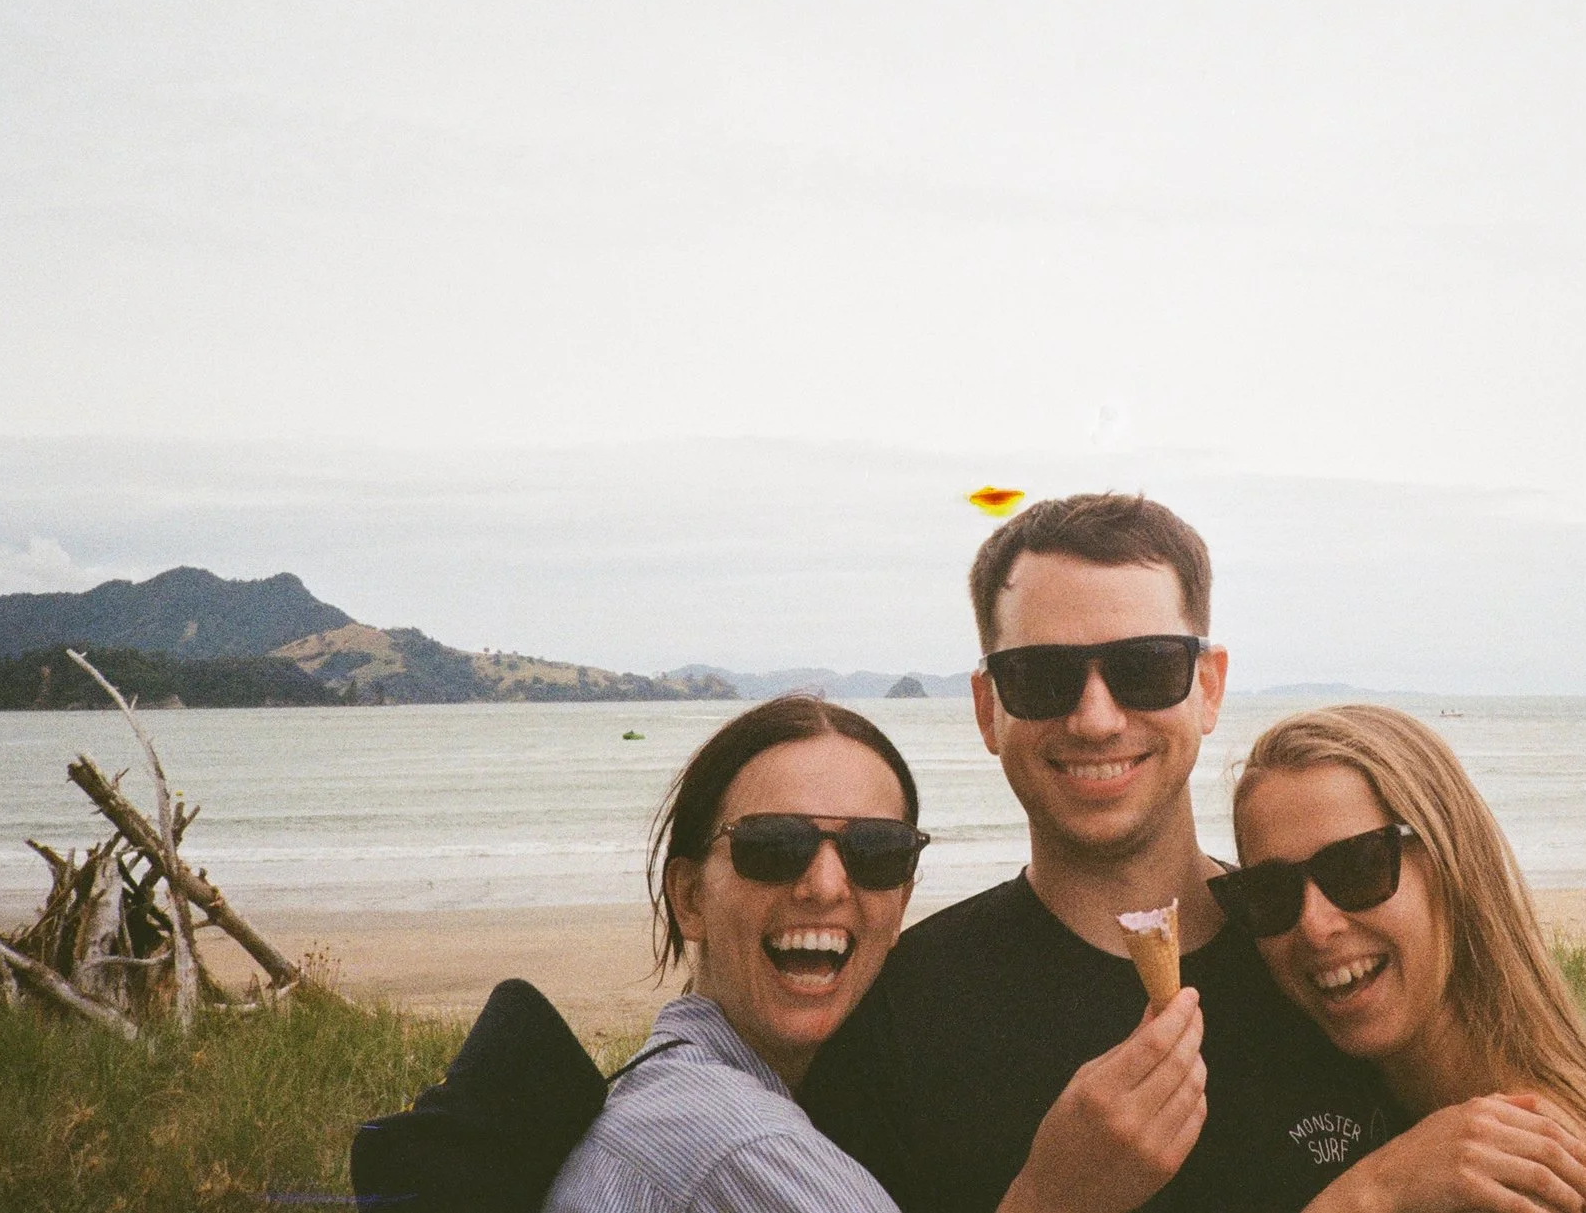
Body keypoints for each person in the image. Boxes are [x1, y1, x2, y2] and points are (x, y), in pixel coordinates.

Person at [799, 494, 1389, 1213]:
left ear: (1208, 686)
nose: (1096, 717)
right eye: (1042, 677)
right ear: (988, 708)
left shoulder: (1324, 960)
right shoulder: (894, 1023)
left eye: (1145, 666)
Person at [1222, 705, 1586, 1213]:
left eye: (1356, 867)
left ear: (1452, 863)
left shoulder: (1523, 1173)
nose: (1314, 925)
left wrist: (1373, 1193)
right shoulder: (1416, 1103)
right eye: (1269, 892)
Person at [545, 696, 936, 1212]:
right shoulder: (743, 1146)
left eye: (879, 852)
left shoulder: (662, 1090)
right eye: (773, 846)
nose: (826, 886)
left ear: (902, 903)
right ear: (689, 898)